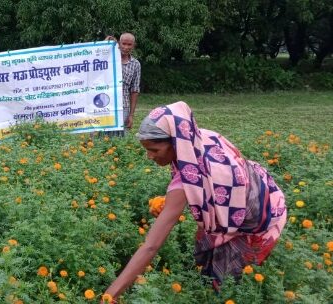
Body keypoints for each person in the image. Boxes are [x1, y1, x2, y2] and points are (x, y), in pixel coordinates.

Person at [103, 101, 287, 301]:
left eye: (155, 150)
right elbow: (211, 188)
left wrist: (110, 295)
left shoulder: (186, 181)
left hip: (259, 219)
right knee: (207, 262)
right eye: (147, 149)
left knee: (229, 288)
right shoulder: (201, 137)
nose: (149, 156)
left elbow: (151, 246)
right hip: (265, 191)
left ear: (176, 142)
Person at [104, 33, 141, 136]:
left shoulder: (135, 64)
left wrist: (131, 115)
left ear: (133, 45)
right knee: (104, 137)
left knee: (121, 137)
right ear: (119, 44)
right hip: (106, 105)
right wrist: (105, 45)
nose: (126, 47)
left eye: (129, 44)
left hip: (123, 106)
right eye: (124, 43)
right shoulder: (109, 60)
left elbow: (134, 90)